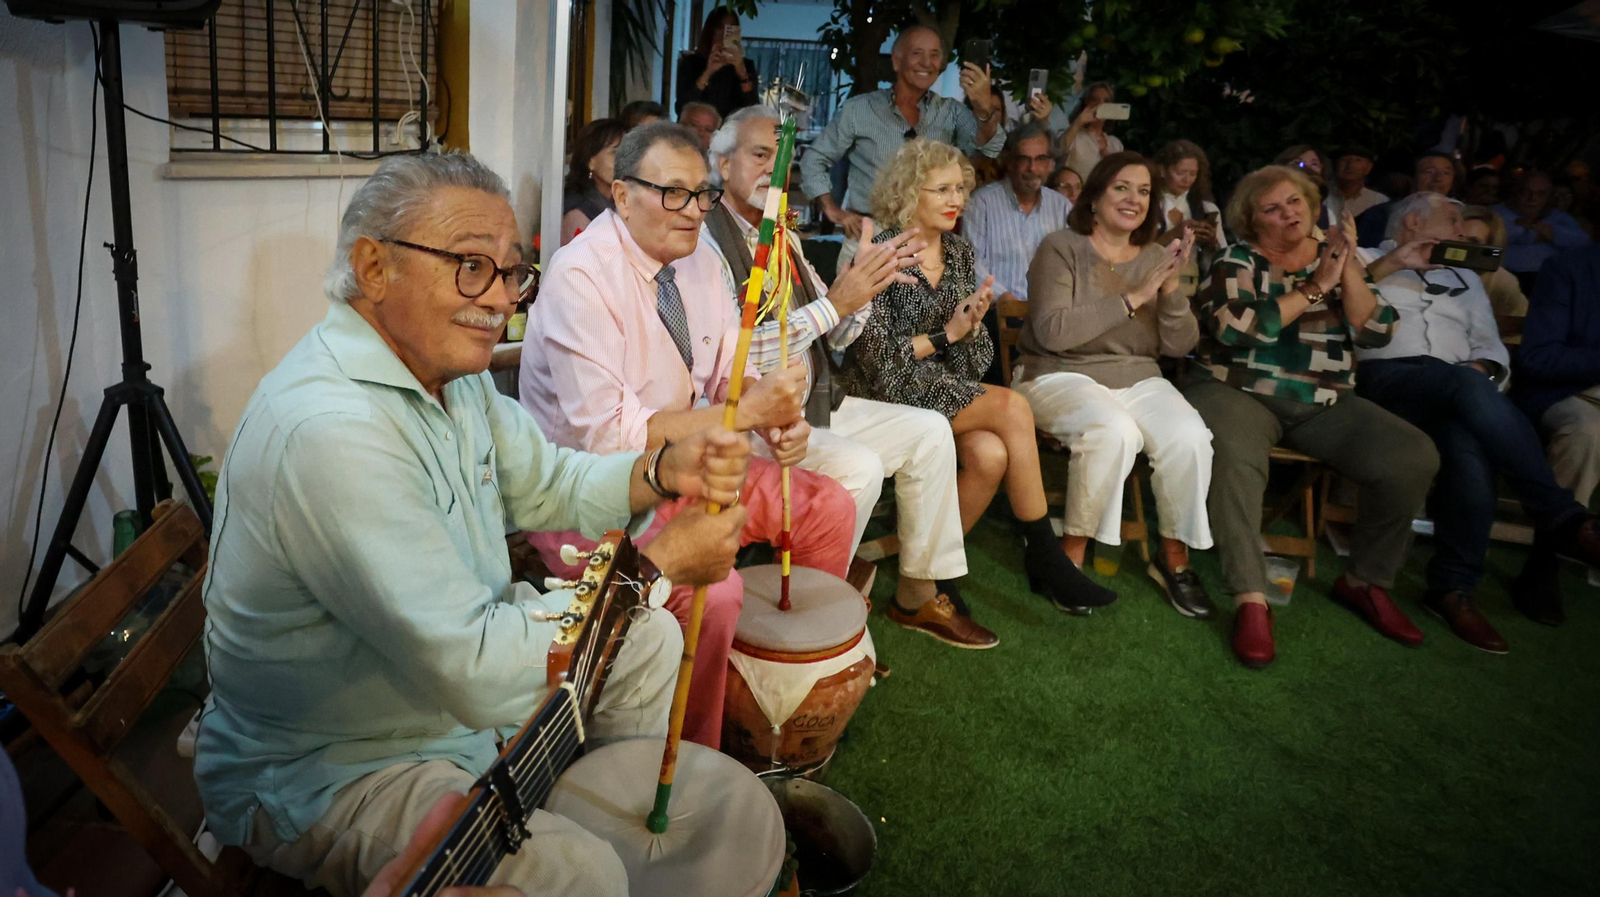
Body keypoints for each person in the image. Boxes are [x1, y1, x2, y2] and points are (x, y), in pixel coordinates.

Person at [194, 152, 752, 897]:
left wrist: (661, 470)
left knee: (647, 638)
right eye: (470, 266)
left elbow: (549, 480)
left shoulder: (449, 380)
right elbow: (474, 664)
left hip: (439, 708)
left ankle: (581, 813)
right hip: (336, 764)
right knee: (582, 876)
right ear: (373, 267)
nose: (499, 299)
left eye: (512, 272)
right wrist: (652, 570)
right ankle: (580, 843)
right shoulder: (331, 432)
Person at [521, 122, 858, 747]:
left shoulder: (701, 258)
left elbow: (734, 367)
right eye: (673, 193)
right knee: (718, 590)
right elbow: (611, 437)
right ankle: (695, 748)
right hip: (594, 489)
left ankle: (775, 691)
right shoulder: (581, 277)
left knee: (827, 509)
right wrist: (749, 416)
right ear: (621, 195)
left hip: (693, 460)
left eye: (702, 194)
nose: (695, 210)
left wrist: (779, 418)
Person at [702, 106, 997, 647]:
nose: (775, 167)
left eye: (783, 156)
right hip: (755, 421)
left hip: (818, 401)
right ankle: (821, 618)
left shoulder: (784, 237)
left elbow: (836, 336)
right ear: (723, 164)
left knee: (931, 431)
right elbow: (735, 356)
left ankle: (916, 593)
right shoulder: (705, 242)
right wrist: (837, 303)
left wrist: (867, 289)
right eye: (760, 154)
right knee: (861, 465)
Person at [839, 138, 1117, 614]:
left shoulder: (961, 254)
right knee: (1011, 406)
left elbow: (971, 363)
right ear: (909, 192)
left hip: (938, 389)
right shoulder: (878, 252)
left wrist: (969, 330)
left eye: (960, 189)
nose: (956, 200)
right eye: (942, 189)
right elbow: (880, 363)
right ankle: (1045, 556)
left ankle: (929, 576)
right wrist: (947, 335)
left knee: (989, 455)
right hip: (879, 395)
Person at [1178, 165, 1439, 669]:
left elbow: (1377, 331)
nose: (1288, 213)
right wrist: (1317, 287)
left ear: (1314, 206)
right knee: (1235, 457)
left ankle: (1365, 581)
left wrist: (1349, 271)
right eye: (1272, 207)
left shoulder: (1337, 260)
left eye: (1295, 202)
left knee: (1412, 454)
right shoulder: (1237, 259)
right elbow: (1238, 330)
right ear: (1251, 220)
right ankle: (1251, 598)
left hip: (1325, 401)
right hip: (1237, 389)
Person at [1353, 192, 1600, 651]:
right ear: (1413, 220)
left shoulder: (1466, 278)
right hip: (1382, 377)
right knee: (1466, 392)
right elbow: (1332, 309)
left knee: (1466, 439)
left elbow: (1490, 344)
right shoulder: (1363, 257)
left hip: (1454, 394)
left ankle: (1452, 588)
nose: (1462, 230)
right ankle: (1562, 517)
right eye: (1452, 220)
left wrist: (1484, 368)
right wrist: (1391, 263)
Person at [1013, 152, 1215, 618]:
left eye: (1144, 192)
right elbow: (1052, 333)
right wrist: (1134, 297)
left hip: (1137, 377)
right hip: (1056, 373)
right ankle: (1070, 555)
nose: (1134, 199)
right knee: (1113, 430)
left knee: (1190, 438)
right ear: (1096, 197)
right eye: (1122, 187)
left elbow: (1180, 344)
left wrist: (1168, 291)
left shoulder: (1152, 258)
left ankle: (1173, 558)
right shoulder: (1061, 247)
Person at [798, 25, 1005, 265]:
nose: (927, 62)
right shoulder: (859, 109)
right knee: (858, 303)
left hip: (928, 242)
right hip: (871, 237)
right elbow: (814, 160)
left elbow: (991, 149)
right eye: (917, 53)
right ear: (897, 61)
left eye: (935, 55)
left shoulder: (951, 112)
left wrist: (983, 107)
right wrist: (833, 211)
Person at [1512, 244, 1600, 623]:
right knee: (1588, 431)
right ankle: (1545, 556)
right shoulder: (1568, 268)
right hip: (1566, 392)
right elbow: (1538, 357)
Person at [965, 120, 1071, 307]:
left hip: (1049, 315)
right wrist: (1003, 297)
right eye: (1024, 159)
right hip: (995, 312)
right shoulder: (982, 203)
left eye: (1040, 159)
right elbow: (970, 264)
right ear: (1010, 163)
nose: (1032, 168)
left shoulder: (1061, 206)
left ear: (1050, 164)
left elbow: (1072, 264)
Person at [1493, 170, 1589, 292]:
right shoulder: (1496, 213)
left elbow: (1582, 242)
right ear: (1516, 191)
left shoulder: (1559, 218)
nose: (1532, 199)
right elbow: (1492, 235)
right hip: (1502, 276)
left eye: (1541, 194)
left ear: (1548, 196)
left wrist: (1551, 232)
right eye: (1526, 192)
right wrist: (1530, 233)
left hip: (1547, 282)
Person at [1152, 139, 1224, 299]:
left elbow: (1222, 260)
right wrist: (1175, 233)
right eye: (1180, 172)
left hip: (1192, 291)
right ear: (1162, 171)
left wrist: (1211, 242)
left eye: (1193, 174)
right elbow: (1137, 254)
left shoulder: (1206, 209)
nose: (1187, 179)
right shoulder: (1147, 205)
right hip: (1151, 289)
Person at [674, 6, 759, 118]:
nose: (725, 32)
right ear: (711, 30)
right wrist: (707, 73)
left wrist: (742, 74)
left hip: (731, 130)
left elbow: (754, 110)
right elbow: (682, 107)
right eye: (720, 27)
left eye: (731, 28)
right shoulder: (691, 63)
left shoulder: (745, 66)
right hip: (698, 129)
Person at [1357, 151, 1456, 246]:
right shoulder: (1384, 213)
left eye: (1446, 173)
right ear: (1412, 177)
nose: (1438, 178)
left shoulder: (1460, 214)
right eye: (1430, 171)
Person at [560, 117, 627, 246]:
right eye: (615, 153)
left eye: (626, 153)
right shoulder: (577, 210)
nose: (623, 160)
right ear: (590, 161)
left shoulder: (623, 200)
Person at [1038, 81, 1124, 180]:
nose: (1100, 104)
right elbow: (1057, 151)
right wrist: (1080, 121)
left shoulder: (1115, 143)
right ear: (1085, 103)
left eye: (1106, 101)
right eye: (1094, 99)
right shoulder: (1074, 136)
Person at [1461, 204, 1529, 316]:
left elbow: (1519, 322)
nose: (1462, 245)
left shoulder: (1502, 283)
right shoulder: (1428, 270)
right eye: (1458, 237)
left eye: (1473, 242)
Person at [1274, 144, 1340, 227]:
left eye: (1314, 164)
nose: (1306, 167)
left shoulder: (1327, 210)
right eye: (1298, 163)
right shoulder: (1273, 202)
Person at [1333, 146, 1388, 218]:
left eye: (1357, 160)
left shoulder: (1378, 201)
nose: (1350, 165)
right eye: (1344, 160)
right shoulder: (1322, 195)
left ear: (1369, 167)